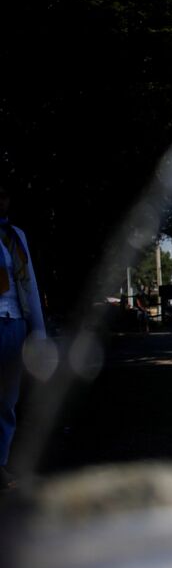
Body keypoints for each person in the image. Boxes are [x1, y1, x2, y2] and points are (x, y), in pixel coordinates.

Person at [0, 184, 46, 490]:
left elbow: (29, 285)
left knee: (7, 400)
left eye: (4, 195)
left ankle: (0, 464)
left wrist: (38, 331)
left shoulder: (16, 236)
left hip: (14, 322)